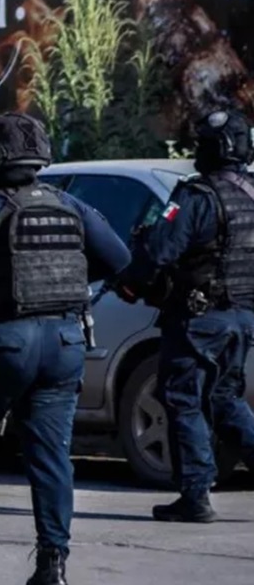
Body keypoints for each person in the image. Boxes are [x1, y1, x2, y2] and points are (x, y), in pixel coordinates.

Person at [0, 112, 130, 585]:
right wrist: (63, 285)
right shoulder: (70, 206)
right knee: (51, 456)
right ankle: (52, 565)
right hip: (64, 343)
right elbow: (119, 259)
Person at [115, 108, 254, 523]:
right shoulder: (251, 194)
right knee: (226, 397)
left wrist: (131, 283)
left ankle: (195, 495)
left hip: (199, 319)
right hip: (242, 318)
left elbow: (158, 252)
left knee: (183, 400)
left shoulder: (196, 197)